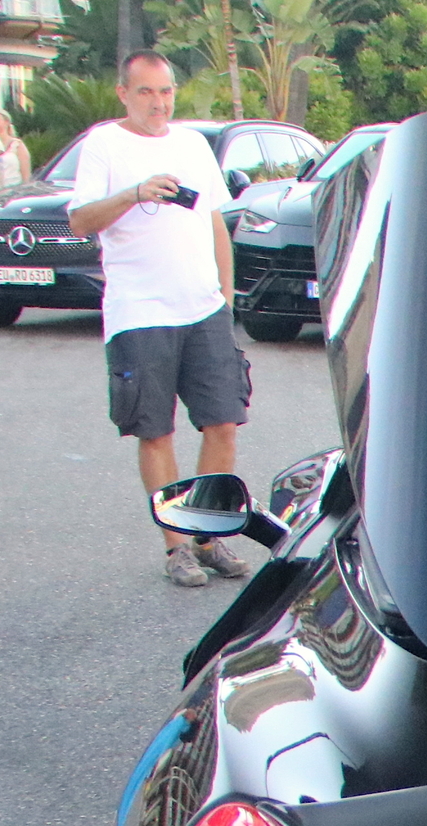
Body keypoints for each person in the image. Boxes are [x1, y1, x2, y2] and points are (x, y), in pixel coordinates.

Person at [67, 51, 251, 589]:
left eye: (166, 91)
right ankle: (177, 547)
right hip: (141, 310)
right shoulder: (104, 144)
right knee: (156, 430)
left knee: (222, 422)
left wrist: (225, 295)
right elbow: (80, 221)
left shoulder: (192, 144)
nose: (159, 102)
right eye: (146, 92)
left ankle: (207, 535)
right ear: (123, 93)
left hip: (203, 306)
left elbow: (214, 220)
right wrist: (133, 193)